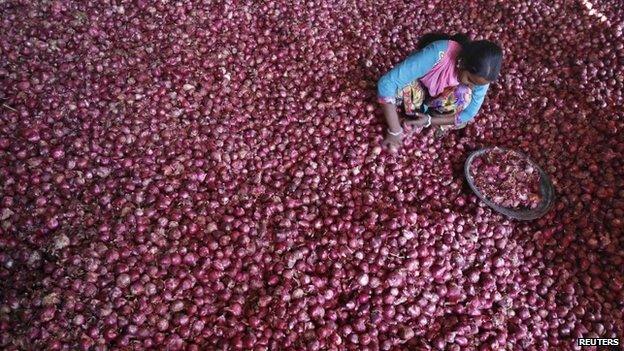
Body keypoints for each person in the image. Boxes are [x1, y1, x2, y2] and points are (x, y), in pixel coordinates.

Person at [377, 33, 503, 150]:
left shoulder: (482, 77)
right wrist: (395, 130)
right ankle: (409, 114)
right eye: (470, 80)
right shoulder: (439, 54)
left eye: (478, 85)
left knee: (465, 96)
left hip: (437, 102)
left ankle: (429, 117)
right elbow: (386, 83)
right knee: (400, 87)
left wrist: (429, 120)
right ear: (462, 62)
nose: (472, 86)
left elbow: (468, 113)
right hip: (417, 88)